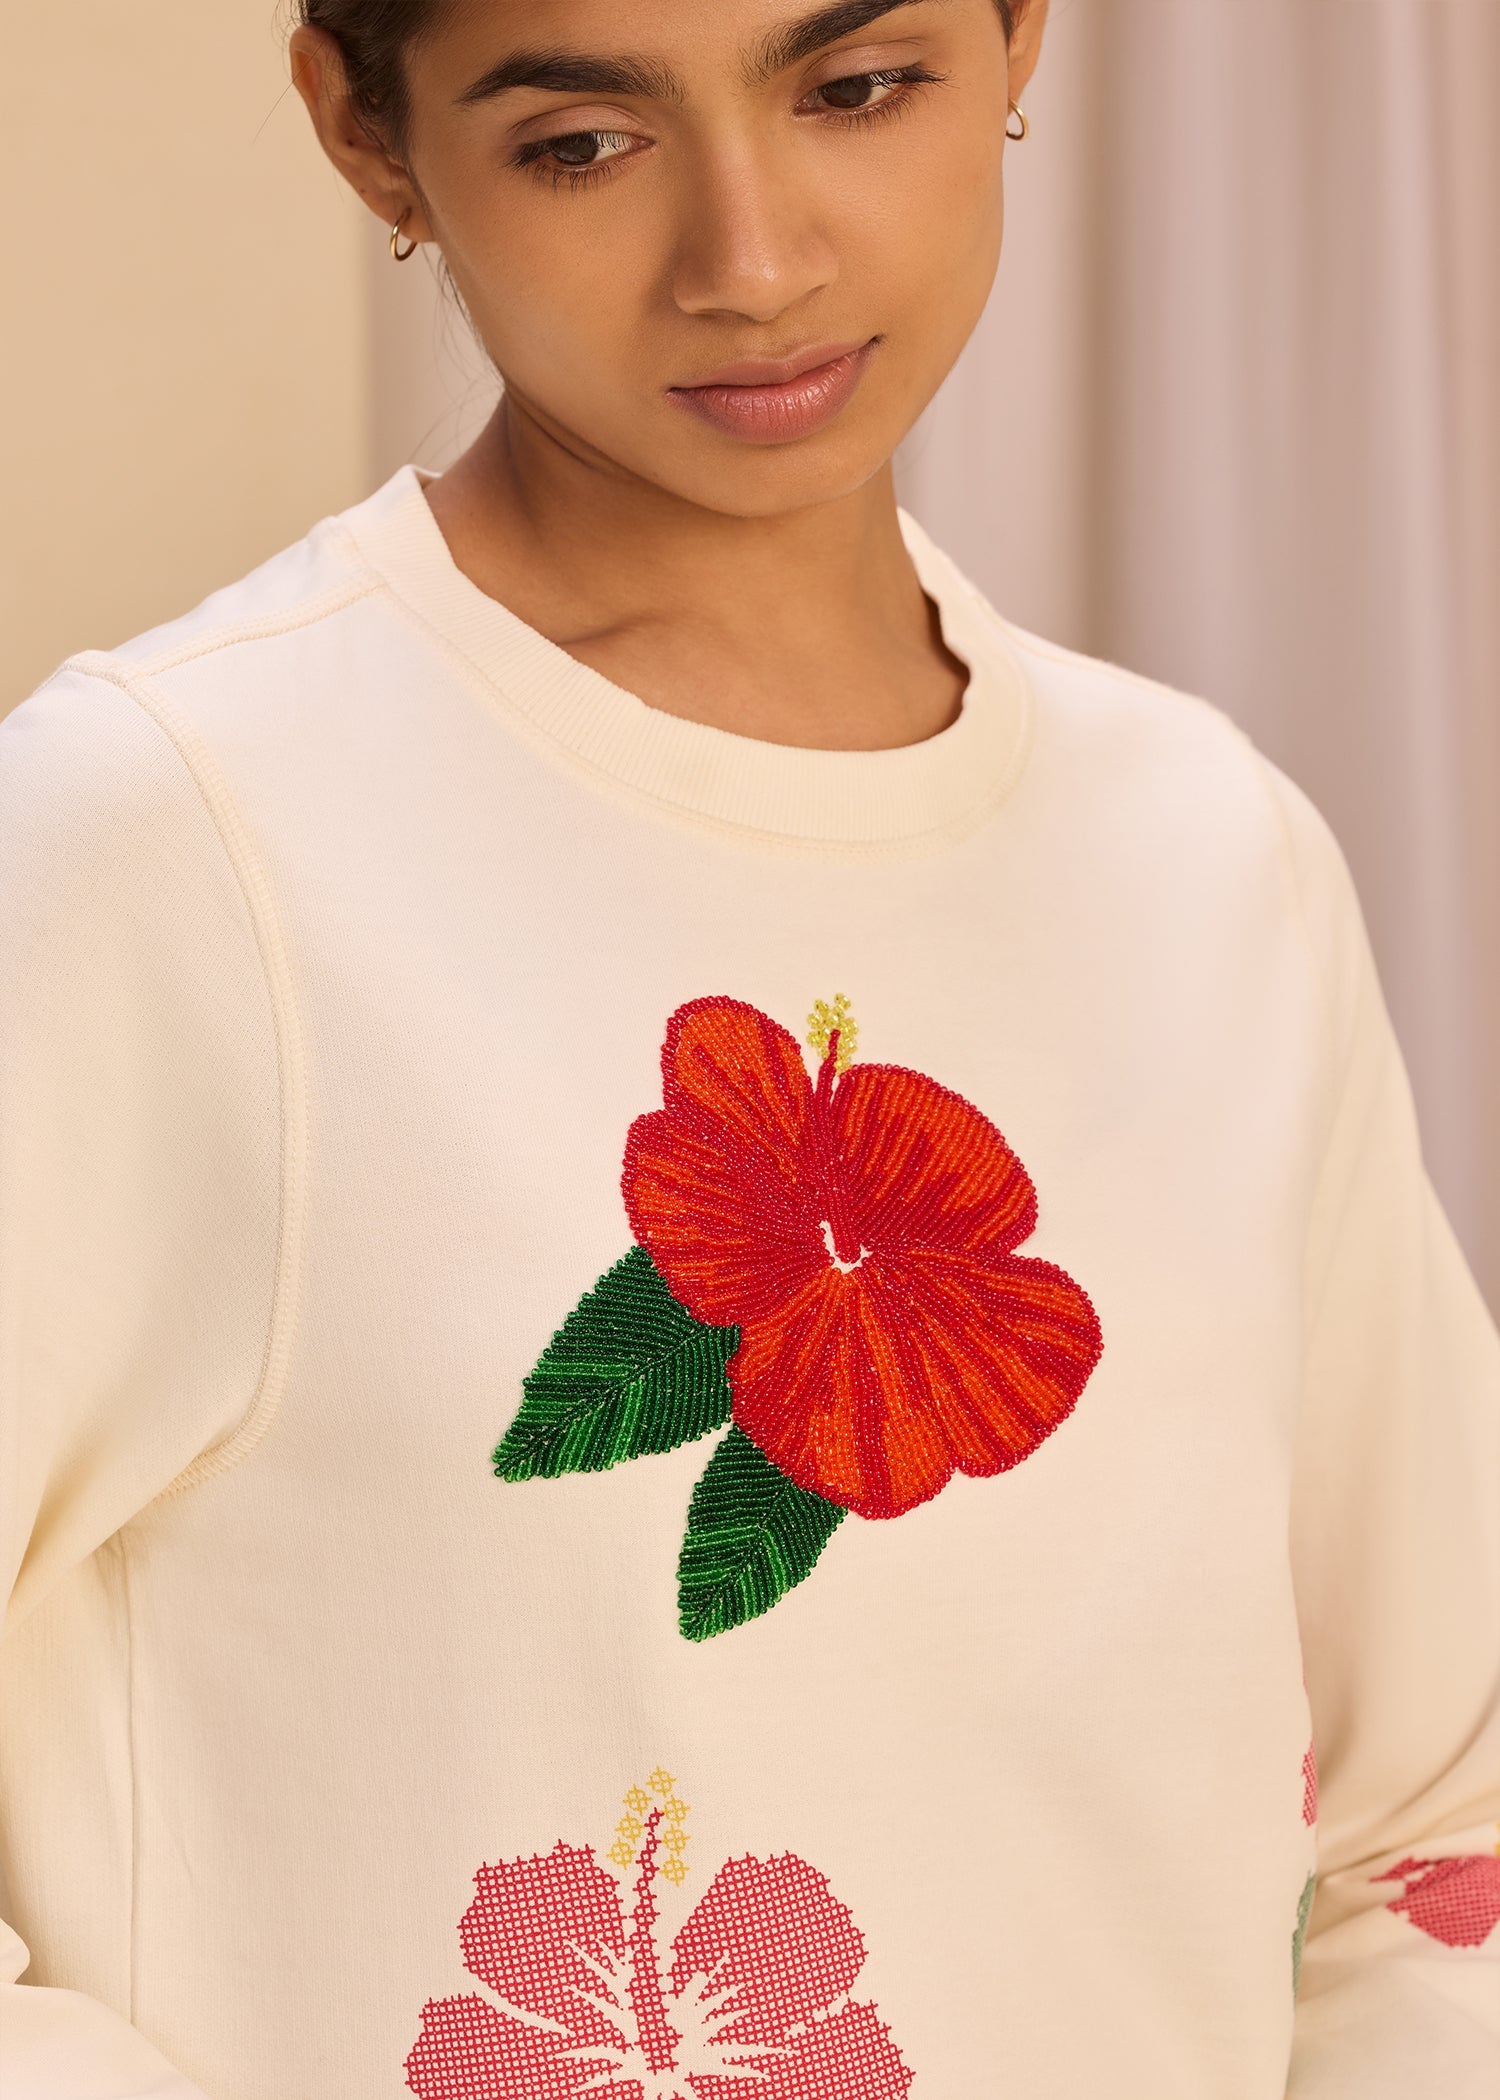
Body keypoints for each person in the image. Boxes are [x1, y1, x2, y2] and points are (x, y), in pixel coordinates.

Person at [1, 0, 1496, 2093]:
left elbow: (1441, 1819)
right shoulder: (169, 839)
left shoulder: (1212, 860)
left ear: (1018, 36)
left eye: (857, 90)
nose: (754, 259)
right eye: (583, 144)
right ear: (369, 132)